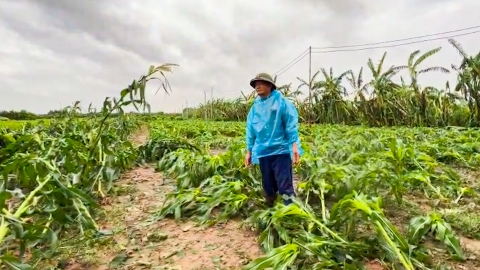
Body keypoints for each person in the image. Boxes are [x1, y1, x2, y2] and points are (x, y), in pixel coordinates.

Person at [244, 72, 303, 207]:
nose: (257, 86)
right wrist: (249, 151)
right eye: (255, 84)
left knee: (284, 184)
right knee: (268, 184)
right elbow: (250, 130)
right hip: (264, 151)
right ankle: (271, 208)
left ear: (270, 85)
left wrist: (294, 145)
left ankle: (290, 211)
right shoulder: (254, 108)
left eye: (261, 83)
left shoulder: (281, 103)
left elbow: (290, 123)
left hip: (280, 150)